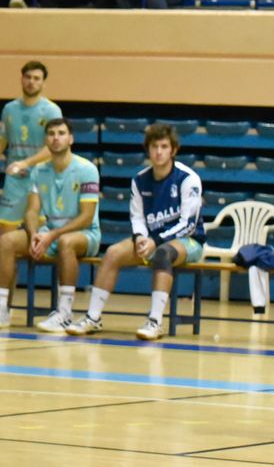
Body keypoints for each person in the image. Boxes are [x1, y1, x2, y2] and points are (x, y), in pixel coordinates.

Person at [68, 123, 204, 340]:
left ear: (173, 150)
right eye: (154, 147)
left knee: (163, 254)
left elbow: (189, 224)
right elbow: (137, 217)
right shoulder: (140, 180)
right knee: (113, 253)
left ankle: (155, 322)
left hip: (188, 241)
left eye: (164, 147)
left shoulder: (188, 178)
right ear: (147, 149)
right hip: (151, 240)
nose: (158, 152)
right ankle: (92, 317)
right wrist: (140, 237)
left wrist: (155, 241)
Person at [0, 118, 102, 331]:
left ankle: (65, 313)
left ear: (71, 139)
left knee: (66, 242)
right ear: (46, 140)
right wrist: (33, 234)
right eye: (51, 134)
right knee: (7, 240)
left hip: (84, 234)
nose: (56, 138)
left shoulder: (87, 169)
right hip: (49, 232)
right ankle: (1, 308)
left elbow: (86, 217)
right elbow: (32, 210)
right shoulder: (38, 171)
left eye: (61, 133)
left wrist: (52, 235)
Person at [0, 61, 62, 239]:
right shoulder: (10, 109)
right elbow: (1, 140)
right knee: (5, 233)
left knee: (39, 232)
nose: (31, 82)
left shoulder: (51, 111)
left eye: (36, 78)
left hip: (41, 177)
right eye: (28, 77)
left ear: (43, 83)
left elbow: (53, 148)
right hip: (15, 179)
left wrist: (26, 163)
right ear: (21, 79)